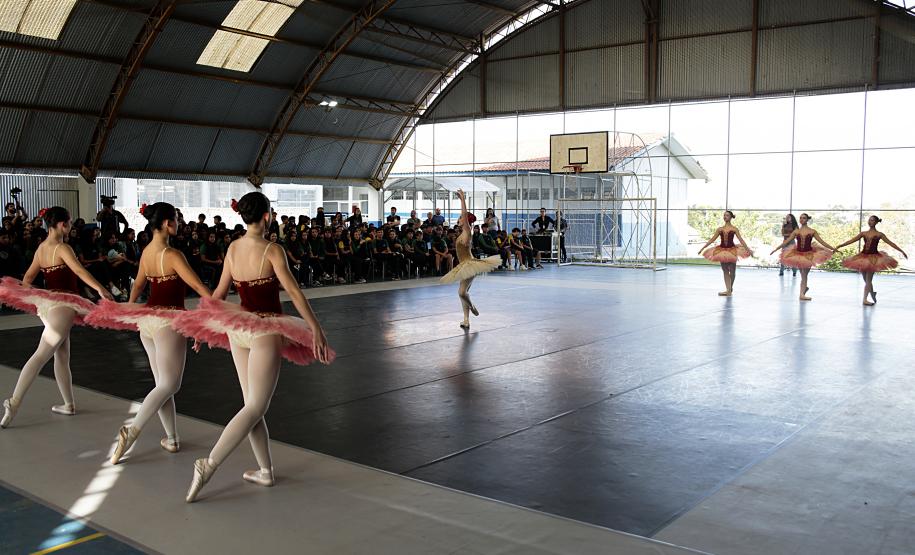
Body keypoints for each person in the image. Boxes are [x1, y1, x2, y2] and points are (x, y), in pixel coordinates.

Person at [173, 192, 333, 503]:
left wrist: (203, 324)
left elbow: (219, 294)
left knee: (251, 405)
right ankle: (209, 464)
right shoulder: (272, 250)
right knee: (256, 406)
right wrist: (314, 327)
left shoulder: (233, 248)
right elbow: (294, 292)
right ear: (266, 216)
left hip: (238, 329)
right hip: (266, 329)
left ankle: (265, 470)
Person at [87, 203, 210, 463]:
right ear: (166, 223)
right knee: (170, 384)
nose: (179, 222)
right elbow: (199, 287)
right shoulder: (173, 255)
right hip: (169, 322)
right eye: (176, 218)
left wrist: (133, 312)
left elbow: (138, 286)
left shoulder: (146, 253)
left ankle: (172, 438)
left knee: (162, 384)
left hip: (149, 322)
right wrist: (210, 318)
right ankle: (131, 430)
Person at [0, 207, 113, 428]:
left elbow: (28, 278)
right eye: (69, 223)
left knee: (62, 355)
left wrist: (37, 296)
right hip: (64, 305)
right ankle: (14, 402)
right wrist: (100, 289)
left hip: (49, 306)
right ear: (62, 224)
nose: (70, 227)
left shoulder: (41, 249)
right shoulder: (63, 248)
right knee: (41, 355)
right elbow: (79, 271)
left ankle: (68, 404)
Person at [439, 190, 501, 330]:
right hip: (463, 266)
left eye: (462, 218)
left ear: (466, 221)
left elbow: (465, 214)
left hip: (470, 265)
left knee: (461, 293)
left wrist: (462, 199)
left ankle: (472, 307)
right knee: (463, 293)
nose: (460, 218)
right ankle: (466, 320)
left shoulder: (467, 231)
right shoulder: (461, 233)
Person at [836, 215, 908, 306]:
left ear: (876, 222)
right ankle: (872, 293)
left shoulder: (880, 234)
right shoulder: (863, 233)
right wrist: (840, 245)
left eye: (872, 220)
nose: (870, 222)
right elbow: (851, 240)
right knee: (866, 280)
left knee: (868, 280)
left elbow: (891, 243)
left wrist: (901, 251)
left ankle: (865, 299)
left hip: (874, 258)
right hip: (862, 257)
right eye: (869, 220)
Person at [770, 213, 836, 301]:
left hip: (809, 255)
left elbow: (822, 242)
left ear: (807, 219)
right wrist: (776, 249)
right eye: (800, 218)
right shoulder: (796, 231)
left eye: (804, 218)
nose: (802, 219)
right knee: (803, 275)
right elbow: (786, 241)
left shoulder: (812, 231)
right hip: (798, 255)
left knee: (804, 275)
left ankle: (802, 294)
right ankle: (803, 289)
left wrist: (833, 248)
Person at [697, 210, 753, 296]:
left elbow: (741, 240)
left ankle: (730, 288)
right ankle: (728, 290)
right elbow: (712, 239)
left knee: (733, 271)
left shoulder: (734, 229)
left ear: (731, 217)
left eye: (727, 215)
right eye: (724, 215)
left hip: (732, 250)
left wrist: (748, 249)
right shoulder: (720, 229)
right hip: (722, 251)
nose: (725, 217)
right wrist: (702, 248)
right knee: (725, 271)